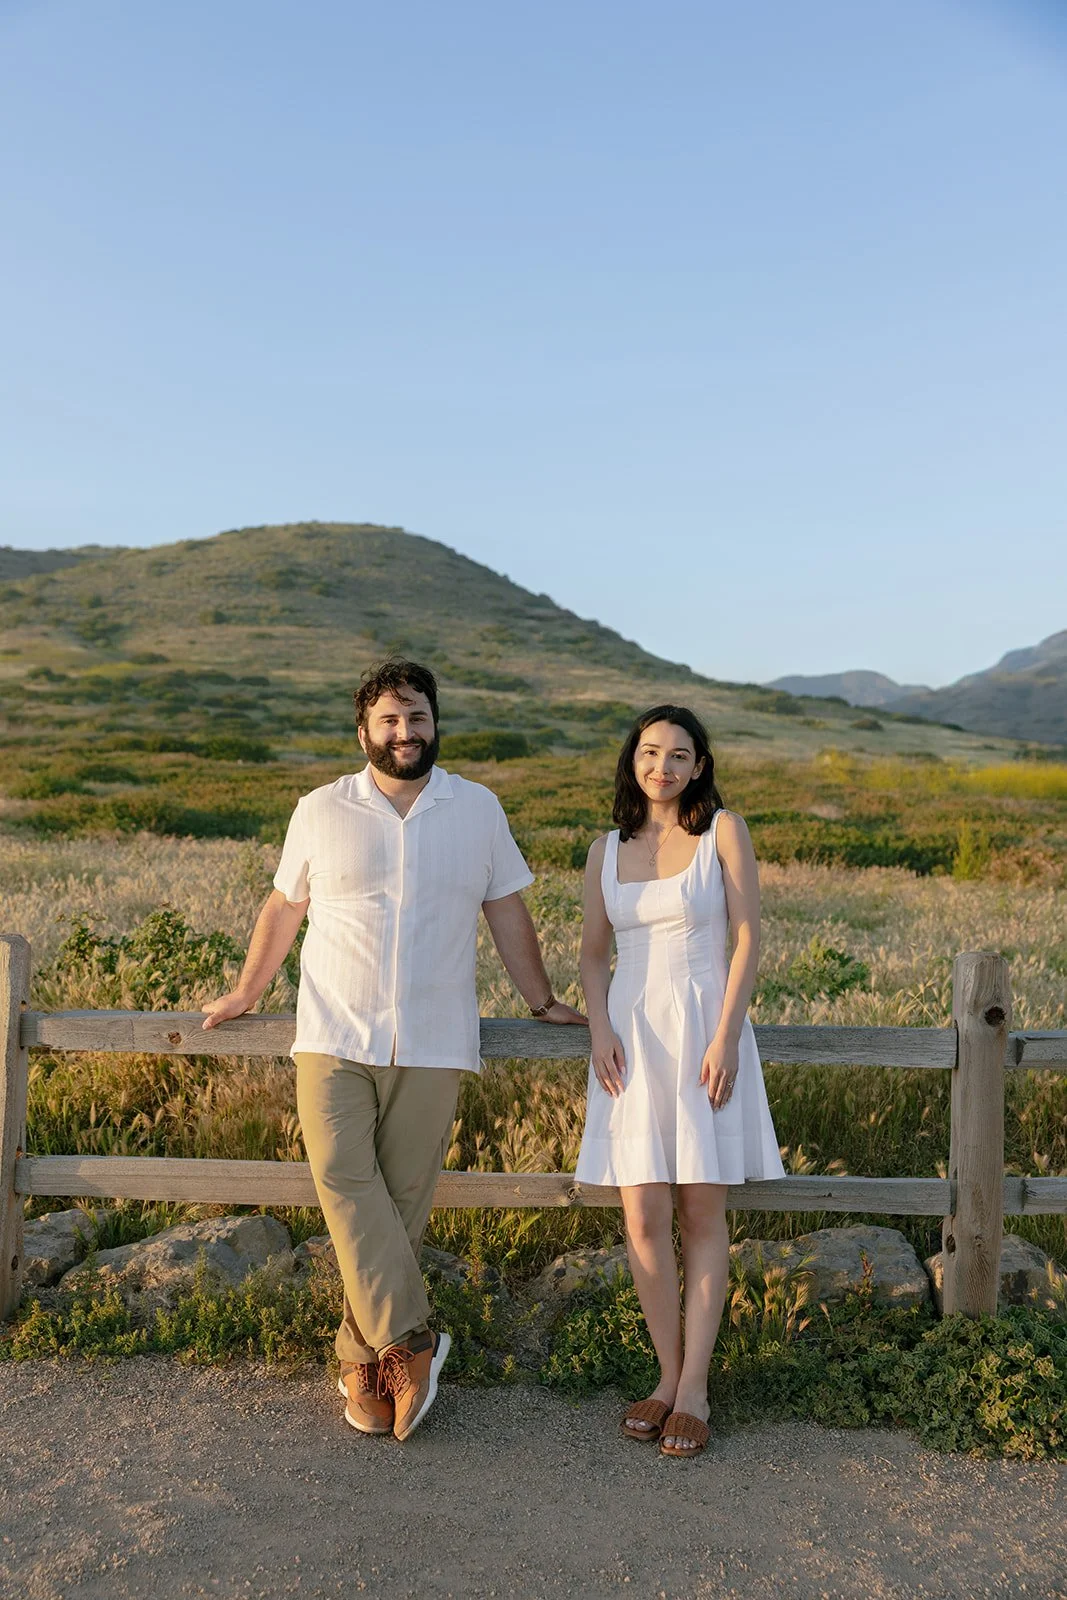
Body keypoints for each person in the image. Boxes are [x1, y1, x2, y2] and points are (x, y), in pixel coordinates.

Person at [203, 659, 584, 1441]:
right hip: (333, 1033)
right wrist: (245, 992)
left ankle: (360, 1359)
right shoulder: (319, 809)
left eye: (416, 717)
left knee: (401, 1204)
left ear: (434, 723)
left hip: (435, 1039)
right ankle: (413, 1342)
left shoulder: (477, 808)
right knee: (342, 1176)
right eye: (389, 719)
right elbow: (285, 906)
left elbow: (506, 910)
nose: (404, 732)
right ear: (363, 732)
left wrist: (541, 1000)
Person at [575, 704, 785, 1459]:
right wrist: (600, 1029)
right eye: (649, 752)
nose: (661, 767)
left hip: (703, 1034)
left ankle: (694, 1387)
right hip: (630, 1042)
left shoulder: (723, 831)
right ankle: (665, 1377)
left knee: (700, 1213)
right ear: (631, 760)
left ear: (699, 766)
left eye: (677, 755)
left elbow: (747, 937)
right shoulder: (605, 849)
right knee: (641, 1216)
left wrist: (726, 1036)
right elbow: (592, 955)